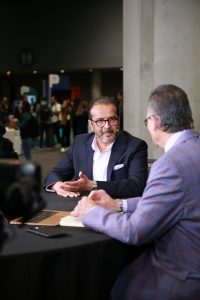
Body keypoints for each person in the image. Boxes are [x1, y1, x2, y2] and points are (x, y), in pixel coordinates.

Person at [71, 84, 200, 300]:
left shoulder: (169, 164)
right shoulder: (193, 150)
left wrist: (90, 212)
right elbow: (176, 200)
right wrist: (119, 205)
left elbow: (135, 232)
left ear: (154, 122)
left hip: (181, 276)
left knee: (108, 282)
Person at [44, 96, 148, 198]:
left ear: (119, 120)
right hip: (83, 206)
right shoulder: (79, 143)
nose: (107, 126)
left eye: (112, 119)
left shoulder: (135, 146)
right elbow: (56, 173)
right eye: (100, 121)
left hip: (117, 208)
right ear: (91, 124)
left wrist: (93, 185)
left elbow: (137, 186)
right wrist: (56, 185)